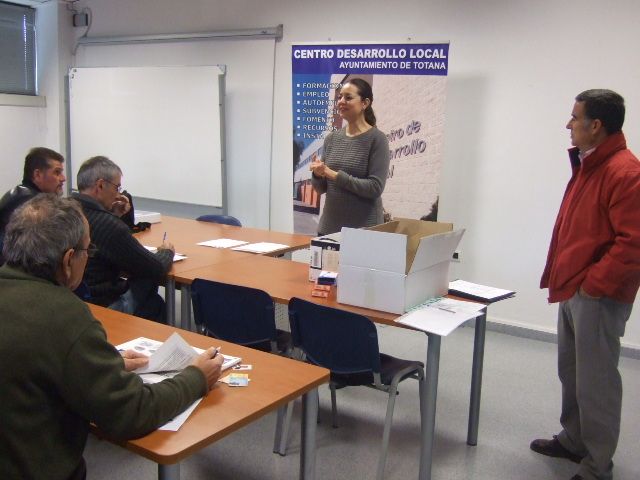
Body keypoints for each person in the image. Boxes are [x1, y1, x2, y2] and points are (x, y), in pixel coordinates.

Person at [0, 194, 223, 480]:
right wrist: (196, 377)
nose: (88, 257)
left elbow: (30, 357)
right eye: (87, 250)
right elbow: (132, 413)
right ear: (68, 260)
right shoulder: (66, 315)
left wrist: (103, 361)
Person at [533, 89, 640, 480]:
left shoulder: (625, 172)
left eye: (574, 117)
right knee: (573, 371)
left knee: (597, 382)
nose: (568, 124)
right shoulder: (591, 163)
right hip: (574, 287)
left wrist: (594, 285)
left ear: (596, 125)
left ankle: (597, 465)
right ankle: (574, 440)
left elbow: (633, 244)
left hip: (597, 295)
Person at [72, 156, 174, 322]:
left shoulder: (63, 210)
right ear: (100, 185)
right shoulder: (108, 225)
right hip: (101, 305)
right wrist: (166, 252)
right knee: (152, 298)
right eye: (117, 187)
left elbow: (115, 246)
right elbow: (155, 267)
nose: (118, 194)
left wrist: (115, 216)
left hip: (72, 299)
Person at [310, 78, 390, 235]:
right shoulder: (331, 139)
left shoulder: (377, 139)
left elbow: (375, 188)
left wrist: (333, 175)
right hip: (329, 230)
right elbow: (321, 189)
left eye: (348, 97)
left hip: (364, 232)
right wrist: (318, 175)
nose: (341, 101)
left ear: (365, 103)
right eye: (340, 97)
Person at [0, 147, 66, 262]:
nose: (63, 178)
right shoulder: (33, 204)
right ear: (37, 174)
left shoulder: (17, 194)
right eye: (57, 172)